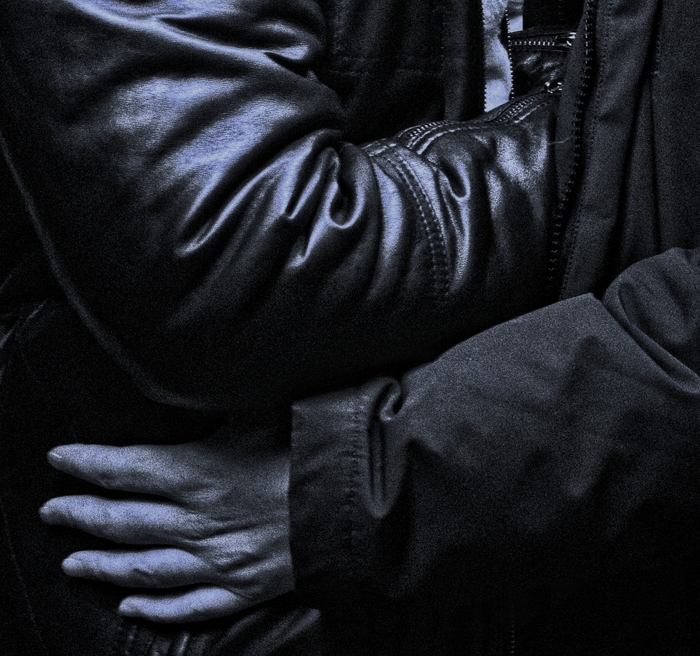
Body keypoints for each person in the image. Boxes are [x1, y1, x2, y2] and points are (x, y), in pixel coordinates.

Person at [5, 0, 700, 654]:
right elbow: (248, 259)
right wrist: (625, 123)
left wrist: (364, 489)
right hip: (210, 577)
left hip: (569, 561)